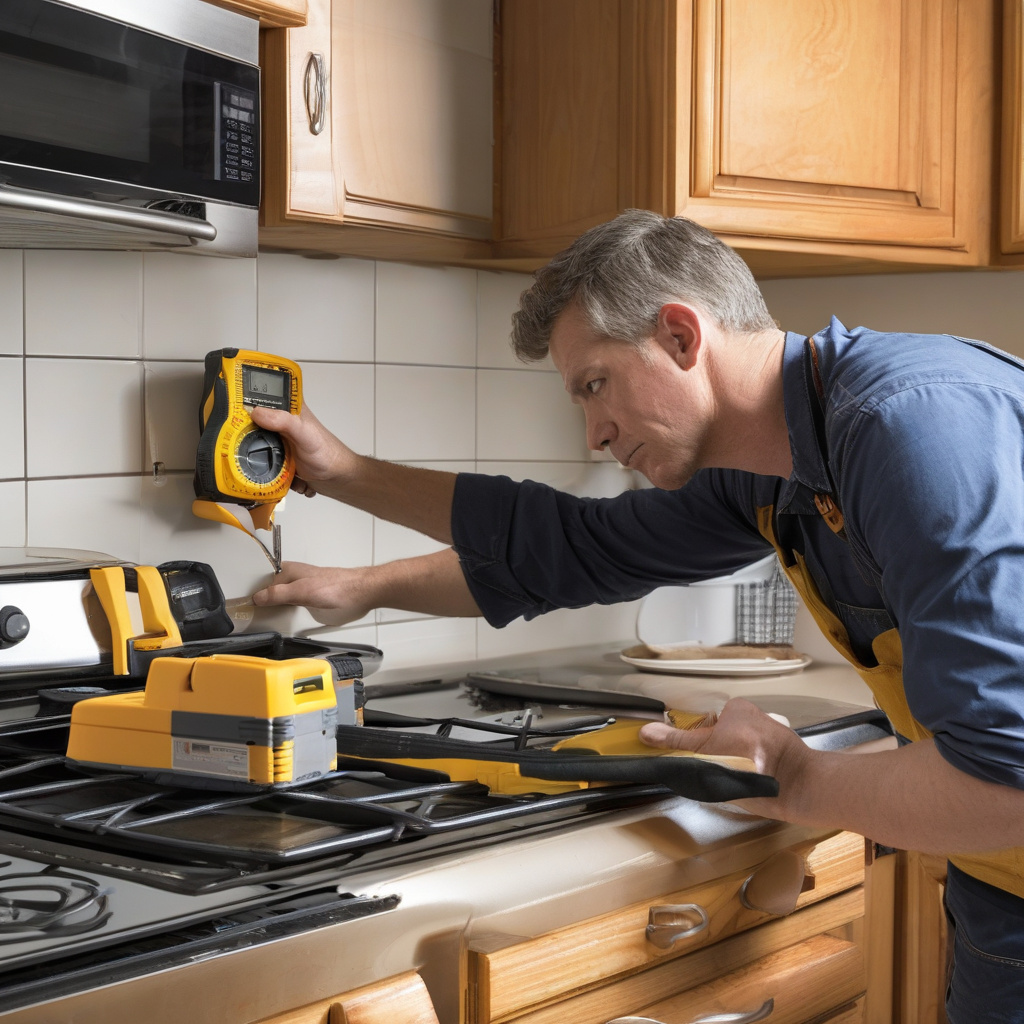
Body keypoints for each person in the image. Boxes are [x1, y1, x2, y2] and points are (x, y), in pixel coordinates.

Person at [251, 210, 1024, 1022]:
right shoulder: (776, 462)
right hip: (999, 884)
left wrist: (797, 780)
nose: (594, 434)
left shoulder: (910, 429)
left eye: (596, 385)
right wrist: (345, 478)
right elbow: (572, 547)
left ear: (683, 337)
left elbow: (1006, 778)